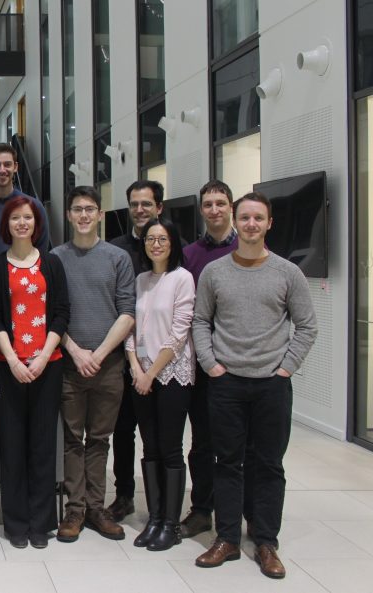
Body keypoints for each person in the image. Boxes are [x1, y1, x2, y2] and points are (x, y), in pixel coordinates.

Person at [193, 192, 317, 579]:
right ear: (236, 219)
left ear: (268, 224)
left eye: (257, 218)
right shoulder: (215, 272)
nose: (250, 224)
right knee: (227, 462)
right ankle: (227, 538)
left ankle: (265, 541)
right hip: (226, 383)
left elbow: (307, 326)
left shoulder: (287, 272)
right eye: (244, 217)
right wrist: (211, 364)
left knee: (268, 465)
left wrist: (286, 369)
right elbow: (200, 321)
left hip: (271, 385)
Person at [52, 186, 135, 543]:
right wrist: (76, 352)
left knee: (99, 439)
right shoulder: (55, 258)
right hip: (69, 364)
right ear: (69, 215)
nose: (83, 215)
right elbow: (50, 314)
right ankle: (75, 509)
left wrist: (98, 355)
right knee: (72, 439)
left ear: (100, 215)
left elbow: (127, 312)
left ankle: (96, 508)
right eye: (77, 209)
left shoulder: (118, 258)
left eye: (90, 209)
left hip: (109, 365)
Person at [0, 196, 69, 550]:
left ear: (37, 223)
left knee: (42, 446)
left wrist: (42, 357)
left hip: (47, 366)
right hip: (8, 367)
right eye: (15, 218)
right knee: (12, 447)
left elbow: (62, 313)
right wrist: (13, 360)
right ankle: (16, 523)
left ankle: (41, 523)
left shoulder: (51, 263)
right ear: (6, 224)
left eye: (28, 217)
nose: (22, 223)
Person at [124, 219, 195, 552]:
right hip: (140, 374)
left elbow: (180, 332)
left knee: (170, 447)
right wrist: (135, 367)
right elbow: (130, 327)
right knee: (149, 446)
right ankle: (154, 519)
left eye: (162, 239)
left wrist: (151, 373)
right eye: (150, 239)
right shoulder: (140, 280)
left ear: (172, 243)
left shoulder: (182, 278)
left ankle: (170, 524)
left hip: (171, 375)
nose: (155, 244)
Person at [179, 180, 238, 537]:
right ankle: (201, 509)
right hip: (201, 363)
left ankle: (240, 511)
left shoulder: (251, 250)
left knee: (239, 446)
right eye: (208, 204)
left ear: (230, 206)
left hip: (241, 364)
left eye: (220, 203)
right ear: (201, 210)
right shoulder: (189, 255)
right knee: (202, 443)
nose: (214, 210)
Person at [105, 180, 167, 522]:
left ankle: (161, 505)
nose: (140, 210)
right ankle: (124, 495)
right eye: (134, 204)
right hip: (123, 357)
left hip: (163, 359)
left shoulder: (172, 247)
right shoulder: (116, 249)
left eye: (146, 204)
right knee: (123, 430)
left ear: (159, 207)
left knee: (157, 434)